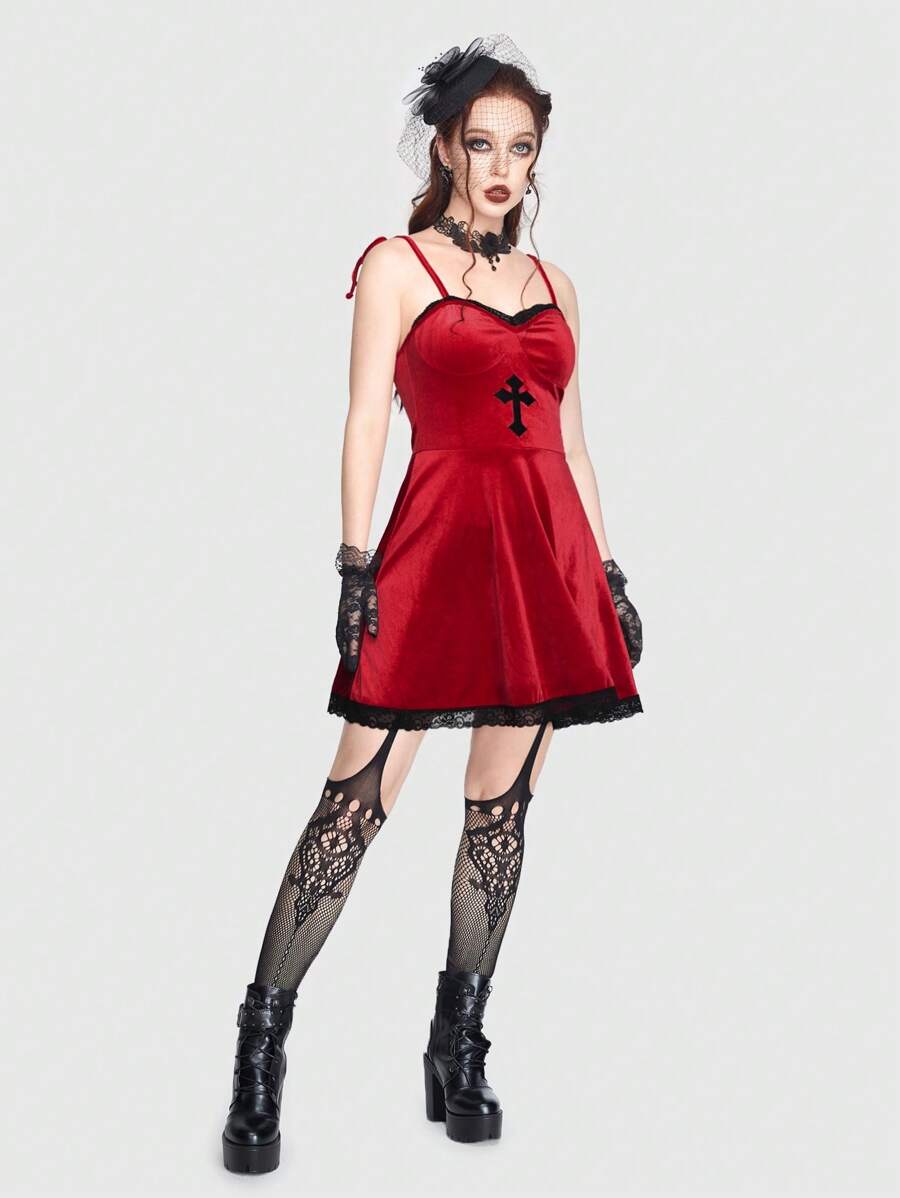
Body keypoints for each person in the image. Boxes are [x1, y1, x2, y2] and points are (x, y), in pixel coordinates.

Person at [221, 34, 644, 1173]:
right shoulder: (397, 266)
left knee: (499, 814)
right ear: (448, 148)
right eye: (483, 144)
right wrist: (355, 562)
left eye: (523, 148)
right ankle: (259, 1055)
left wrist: (608, 574)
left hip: (543, 559)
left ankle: (457, 1049)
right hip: (435, 545)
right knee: (353, 806)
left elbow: (572, 443)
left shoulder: (556, 286)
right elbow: (367, 414)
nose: (502, 167)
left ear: (538, 157)